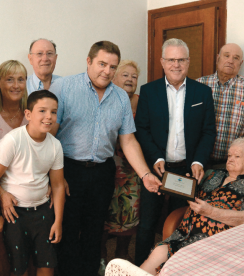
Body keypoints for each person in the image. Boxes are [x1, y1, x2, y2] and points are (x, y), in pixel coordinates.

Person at [52, 41, 162, 276]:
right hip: (69, 170)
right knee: (68, 232)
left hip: (102, 172)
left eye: (112, 67)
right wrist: (54, 176)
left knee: (95, 232)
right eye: (102, 64)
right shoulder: (64, 88)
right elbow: (50, 135)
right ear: (89, 61)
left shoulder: (121, 98)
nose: (107, 71)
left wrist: (145, 174)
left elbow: (128, 141)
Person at [134, 38, 216, 266]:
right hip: (156, 167)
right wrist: (156, 157)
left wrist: (199, 161)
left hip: (187, 170)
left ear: (188, 62)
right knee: (148, 223)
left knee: (181, 223)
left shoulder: (202, 93)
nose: (176, 64)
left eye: (181, 59)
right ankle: (141, 267)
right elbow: (142, 129)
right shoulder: (149, 92)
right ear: (162, 62)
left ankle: (174, 268)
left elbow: (208, 132)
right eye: (171, 59)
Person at [140, 137, 244, 275]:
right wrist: (183, 185)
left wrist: (211, 212)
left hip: (214, 247)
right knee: (158, 252)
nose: (230, 159)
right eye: (229, 155)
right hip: (183, 236)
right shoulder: (214, 174)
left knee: (174, 267)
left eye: (237, 156)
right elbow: (193, 195)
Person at [0, 90, 65, 276]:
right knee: (18, 268)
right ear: (28, 114)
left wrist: (58, 221)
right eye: (42, 111)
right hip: (15, 214)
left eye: (53, 112)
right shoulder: (13, 140)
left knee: (47, 265)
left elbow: (58, 185)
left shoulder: (55, 145)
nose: (49, 117)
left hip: (43, 212)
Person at [0, 60, 29, 276]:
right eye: (10, 79)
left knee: (30, 253)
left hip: (31, 194)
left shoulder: (32, 115)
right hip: (0, 194)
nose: (15, 85)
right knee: (2, 250)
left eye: (20, 79)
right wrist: (2, 194)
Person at [100, 60, 141, 266]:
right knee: (103, 217)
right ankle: (101, 260)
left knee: (130, 215)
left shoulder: (143, 103)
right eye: (125, 75)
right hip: (107, 168)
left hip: (133, 170)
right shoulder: (106, 100)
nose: (130, 79)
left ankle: (122, 256)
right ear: (114, 78)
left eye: (134, 76)